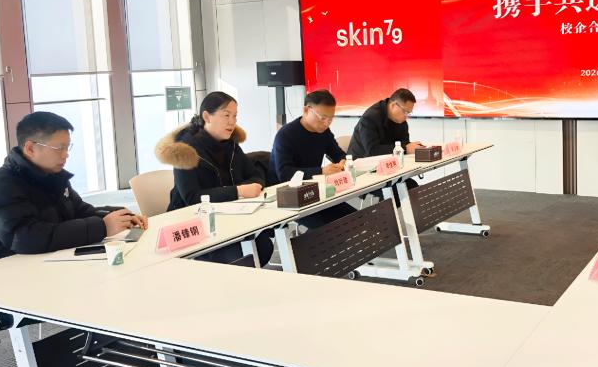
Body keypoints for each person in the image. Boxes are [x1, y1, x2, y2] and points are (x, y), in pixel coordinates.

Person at [0, 111, 146, 267]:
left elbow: (79, 211)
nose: (66, 155)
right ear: (30, 148)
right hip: (0, 276)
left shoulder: (52, 174)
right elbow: (27, 238)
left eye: (67, 147)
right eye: (59, 148)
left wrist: (121, 217)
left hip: (45, 265)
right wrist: (102, 227)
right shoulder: (1, 187)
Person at [156, 91, 272, 265]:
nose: (232, 122)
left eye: (235, 116)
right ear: (206, 117)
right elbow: (192, 198)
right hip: (194, 225)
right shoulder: (184, 150)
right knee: (244, 253)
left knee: (262, 245)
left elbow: (254, 173)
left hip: (227, 218)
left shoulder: (230, 144)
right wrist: (238, 191)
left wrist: (250, 186)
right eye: (226, 115)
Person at [268, 89, 356, 228]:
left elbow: (338, 154)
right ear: (306, 110)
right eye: (322, 118)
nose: (326, 123)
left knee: (356, 219)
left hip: (315, 191)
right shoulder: (286, 135)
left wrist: (343, 162)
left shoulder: (323, 132)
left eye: (331, 119)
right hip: (288, 197)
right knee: (330, 229)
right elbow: (285, 174)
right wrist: (321, 171)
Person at [347, 88, 423, 159]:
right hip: (360, 163)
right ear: (393, 105)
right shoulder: (369, 118)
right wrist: (405, 148)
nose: (406, 116)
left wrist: (413, 148)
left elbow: (404, 144)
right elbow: (372, 150)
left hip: (388, 162)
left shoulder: (401, 120)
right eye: (405, 112)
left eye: (409, 113)